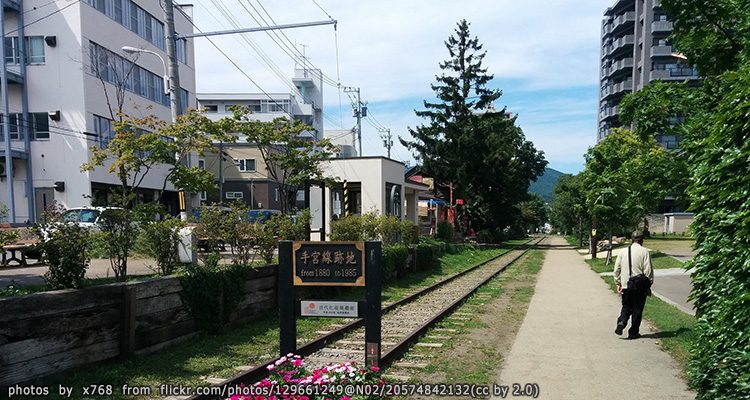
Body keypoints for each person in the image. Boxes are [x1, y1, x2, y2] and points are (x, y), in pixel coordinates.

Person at [613, 230, 654, 339]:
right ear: (641, 240)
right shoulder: (644, 252)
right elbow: (648, 271)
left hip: (626, 285)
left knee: (626, 306)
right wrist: (648, 284)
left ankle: (621, 322)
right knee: (637, 309)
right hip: (639, 286)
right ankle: (633, 332)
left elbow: (617, 269)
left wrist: (618, 282)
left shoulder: (623, 251)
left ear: (631, 240)